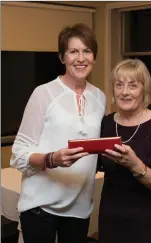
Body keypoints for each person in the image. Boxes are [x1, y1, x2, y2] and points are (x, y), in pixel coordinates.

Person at [10, 23, 106, 243]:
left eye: (87, 51)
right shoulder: (43, 93)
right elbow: (18, 154)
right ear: (62, 57)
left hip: (80, 207)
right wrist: (51, 159)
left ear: (94, 56)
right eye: (73, 51)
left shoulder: (100, 97)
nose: (80, 58)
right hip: (41, 207)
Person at [97, 58, 151, 243]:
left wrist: (135, 165)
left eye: (133, 85)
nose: (124, 92)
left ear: (144, 90)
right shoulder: (106, 123)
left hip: (149, 222)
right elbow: (96, 165)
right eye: (119, 85)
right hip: (111, 219)